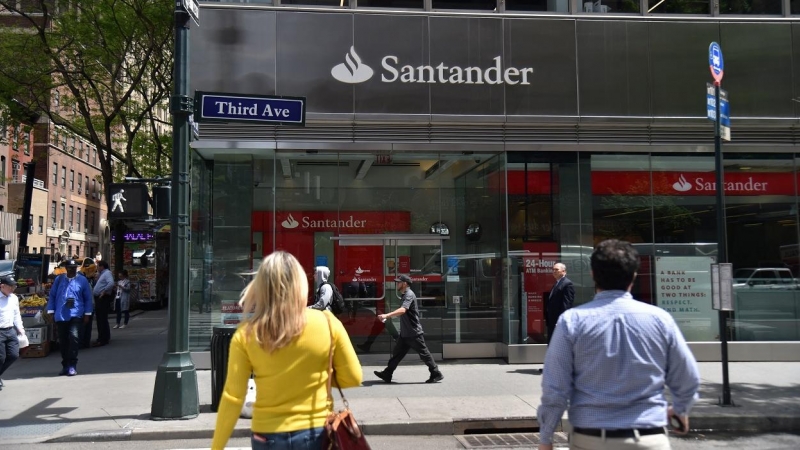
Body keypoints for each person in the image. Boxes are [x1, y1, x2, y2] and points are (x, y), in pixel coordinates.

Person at [538, 239, 700, 450]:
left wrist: (546, 438)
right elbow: (688, 379)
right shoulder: (660, 319)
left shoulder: (572, 322)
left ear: (593, 274)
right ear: (633, 275)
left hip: (591, 438)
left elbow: (555, 389)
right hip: (649, 439)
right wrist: (680, 410)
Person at [211, 251, 362, 450]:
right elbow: (353, 377)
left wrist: (217, 447)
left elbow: (233, 397)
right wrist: (315, 375)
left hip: (267, 435)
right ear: (300, 284)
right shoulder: (327, 322)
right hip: (316, 432)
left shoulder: (246, 333)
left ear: (262, 287)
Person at [373, 274, 443, 384]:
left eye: (399, 282)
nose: (397, 284)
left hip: (413, 332)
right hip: (406, 333)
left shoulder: (409, 294)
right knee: (397, 353)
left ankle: (436, 373)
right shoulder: (405, 294)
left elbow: (403, 310)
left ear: (404, 283)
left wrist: (387, 315)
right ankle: (388, 373)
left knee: (424, 353)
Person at [46, 259, 93, 376]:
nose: (72, 270)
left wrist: (88, 314)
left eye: (74, 268)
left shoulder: (82, 280)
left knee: (74, 337)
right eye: (70, 268)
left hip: (76, 313)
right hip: (61, 314)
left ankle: (73, 364)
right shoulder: (59, 279)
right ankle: (65, 365)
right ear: (66, 268)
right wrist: (51, 312)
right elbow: (52, 296)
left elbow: (88, 298)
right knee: (63, 341)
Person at [0, 275, 24, 390]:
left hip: (10, 330)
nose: (12, 289)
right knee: (1, 357)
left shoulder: (14, 298)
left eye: (14, 286)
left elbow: (16, 315)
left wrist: (21, 329)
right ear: (2, 286)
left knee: (14, 355)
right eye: (11, 287)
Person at [545, 262, 574, 346]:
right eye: (553, 270)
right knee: (551, 344)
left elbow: (567, 304)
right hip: (552, 320)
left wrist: (561, 321)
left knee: (558, 345)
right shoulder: (557, 283)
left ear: (564, 271)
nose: (554, 271)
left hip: (558, 321)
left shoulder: (567, 284)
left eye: (556, 269)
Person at [92, 260, 115, 347]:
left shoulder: (107, 273)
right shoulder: (103, 274)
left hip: (102, 299)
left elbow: (111, 283)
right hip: (100, 298)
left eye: (98, 266)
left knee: (101, 319)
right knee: (102, 319)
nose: (97, 268)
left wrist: (104, 292)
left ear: (102, 266)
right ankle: (104, 337)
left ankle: (102, 339)